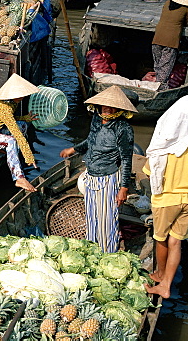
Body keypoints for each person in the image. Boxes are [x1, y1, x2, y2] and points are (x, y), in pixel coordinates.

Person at [141, 96, 188, 298]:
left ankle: (160, 275)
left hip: (165, 201)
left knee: (161, 239)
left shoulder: (162, 148)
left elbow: (149, 173)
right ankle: (166, 284)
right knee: (176, 243)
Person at [59, 86, 136, 253]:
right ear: (99, 106)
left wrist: (123, 188)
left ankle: (109, 253)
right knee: (92, 218)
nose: (107, 109)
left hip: (107, 178)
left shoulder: (123, 128)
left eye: (112, 106)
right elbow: (90, 141)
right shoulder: (96, 119)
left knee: (107, 221)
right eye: (104, 105)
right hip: (91, 176)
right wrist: (73, 150)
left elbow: (126, 160)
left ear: (119, 108)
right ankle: (93, 251)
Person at [151, 0, 188, 91]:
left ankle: (155, 86)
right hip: (171, 41)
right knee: (165, 67)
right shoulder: (186, 9)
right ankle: (160, 89)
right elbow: (186, 23)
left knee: (158, 65)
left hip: (157, 37)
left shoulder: (167, 3)